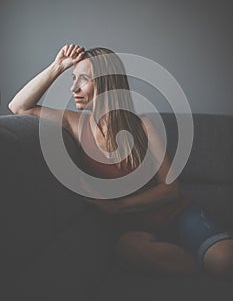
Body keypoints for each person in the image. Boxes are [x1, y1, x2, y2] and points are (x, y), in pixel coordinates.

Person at [8, 44, 233, 279]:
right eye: (73, 78)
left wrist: (116, 206)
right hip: (136, 230)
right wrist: (58, 67)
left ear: (107, 83)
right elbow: (18, 107)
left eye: (84, 79)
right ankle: (206, 273)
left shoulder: (144, 126)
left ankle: (213, 264)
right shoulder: (74, 123)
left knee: (224, 262)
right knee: (129, 250)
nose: (74, 87)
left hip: (179, 215)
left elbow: (171, 190)